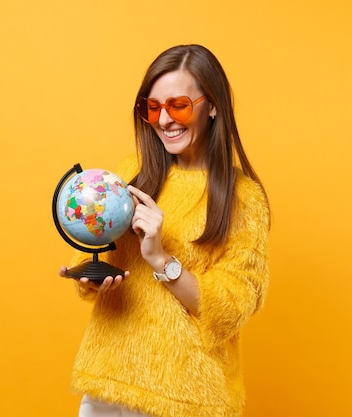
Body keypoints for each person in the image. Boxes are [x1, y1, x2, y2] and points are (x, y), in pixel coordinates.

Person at [58, 44, 270, 417]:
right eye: (152, 108)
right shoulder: (130, 174)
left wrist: (159, 257)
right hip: (109, 382)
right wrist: (90, 278)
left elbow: (233, 306)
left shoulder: (242, 198)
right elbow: (92, 254)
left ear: (213, 105)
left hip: (187, 397)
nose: (164, 120)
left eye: (179, 105)